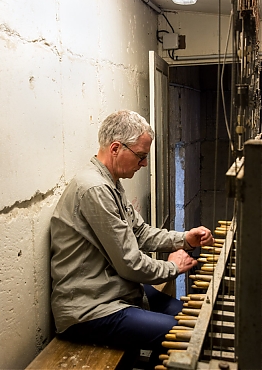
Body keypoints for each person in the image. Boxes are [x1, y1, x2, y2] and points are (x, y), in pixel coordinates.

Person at [50, 110, 214, 369]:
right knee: (185, 335)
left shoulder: (110, 182)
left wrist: (185, 240)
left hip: (111, 287)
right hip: (87, 309)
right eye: (141, 156)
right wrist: (172, 268)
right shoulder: (96, 189)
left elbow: (140, 232)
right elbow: (130, 264)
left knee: (190, 317)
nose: (145, 164)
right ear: (116, 148)